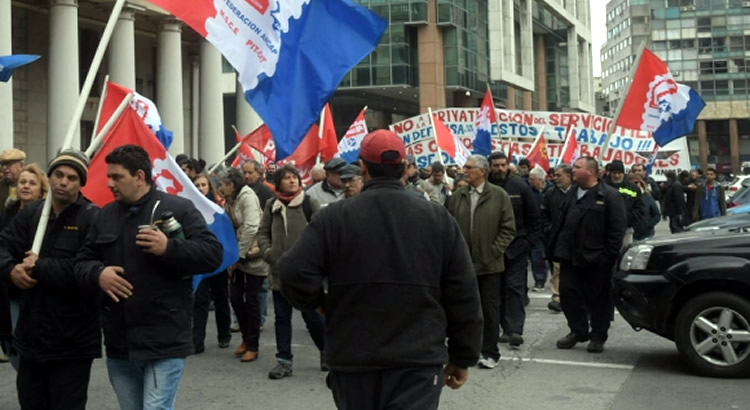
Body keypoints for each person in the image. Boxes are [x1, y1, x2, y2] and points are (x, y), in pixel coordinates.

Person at [278, 130, 482, 409]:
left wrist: (322, 304)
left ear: (362, 167)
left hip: (354, 358)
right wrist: (463, 357)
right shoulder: (437, 218)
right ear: (403, 165)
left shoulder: (334, 217)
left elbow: (292, 271)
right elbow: (464, 294)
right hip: (417, 359)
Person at [74, 145, 222, 410]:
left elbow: (213, 254)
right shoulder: (104, 215)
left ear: (139, 176)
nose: (109, 183)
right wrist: (98, 274)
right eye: (109, 177)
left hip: (164, 337)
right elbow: (82, 262)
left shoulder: (179, 208)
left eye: (117, 177)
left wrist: (170, 247)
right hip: (120, 340)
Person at [0, 149, 99, 409]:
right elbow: (3, 247)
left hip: (72, 342)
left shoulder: (91, 217)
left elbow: (87, 268)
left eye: (71, 177)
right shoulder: (31, 214)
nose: (63, 182)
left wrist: (41, 266)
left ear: (81, 183)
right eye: (58, 174)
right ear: (51, 177)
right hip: (31, 337)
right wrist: (11, 269)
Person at [548, 157, 627, 353]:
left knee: (599, 300)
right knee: (567, 294)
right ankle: (578, 330)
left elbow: (617, 230)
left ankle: (598, 336)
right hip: (570, 256)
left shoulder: (609, 196)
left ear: (591, 172)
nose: (573, 170)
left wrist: (607, 258)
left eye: (577, 167)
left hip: (596, 258)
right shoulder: (572, 192)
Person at [446, 155, 515, 370]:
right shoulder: (457, 196)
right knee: (462, 310)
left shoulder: (499, 196)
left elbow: (508, 228)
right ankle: (465, 351)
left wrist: (493, 251)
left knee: (489, 310)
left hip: (489, 266)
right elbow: (448, 227)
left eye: (469, 168)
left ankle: (490, 351)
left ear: (482, 172)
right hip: (462, 265)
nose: (464, 170)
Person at [257, 165, 326, 380]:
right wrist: (269, 253)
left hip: (305, 274)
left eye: (294, 177)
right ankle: (284, 361)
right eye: (286, 178)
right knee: (282, 318)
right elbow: (262, 233)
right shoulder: (271, 205)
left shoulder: (308, 203)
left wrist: (312, 260)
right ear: (278, 183)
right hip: (279, 273)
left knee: (312, 317)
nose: (292, 181)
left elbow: (321, 232)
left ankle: (327, 351)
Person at [487, 151, 542, 347]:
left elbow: (534, 220)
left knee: (515, 288)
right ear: (490, 166)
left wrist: (527, 244)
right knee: (496, 290)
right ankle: (503, 327)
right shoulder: (485, 187)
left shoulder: (520, 186)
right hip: (491, 249)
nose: (500, 169)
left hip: (516, 248)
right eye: (496, 165)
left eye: (503, 165)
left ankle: (515, 329)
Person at [0, 164, 49, 363]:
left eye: (32, 183)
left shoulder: (47, 214)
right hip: (10, 287)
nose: (26, 186)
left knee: (32, 343)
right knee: (14, 344)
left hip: (37, 287)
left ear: (41, 189)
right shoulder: (8, 211)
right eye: (22, 182)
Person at [216, 168, 266, 363]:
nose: (219, 188)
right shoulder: (230, 200)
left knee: (252, 301)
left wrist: (239, 254)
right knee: (235, 297)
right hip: (240, 257)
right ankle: (246, 338)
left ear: (232, 185)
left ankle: (253, 345)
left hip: (254, 256)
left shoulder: (247, 197)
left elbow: (252, 227)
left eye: (222, 184)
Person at [191, 173, 232, 354]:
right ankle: (197, 341)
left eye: (203, 185)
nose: (200, 188)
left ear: (209, 187)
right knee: (199, 300)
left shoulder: (218, 208)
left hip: (217, 260)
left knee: (221, 297)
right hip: (198, 260)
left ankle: (224, 334)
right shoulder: (189, 208)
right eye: (197, 185)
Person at [541, 164, 573, 313]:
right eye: (554, 175)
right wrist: (549, 229)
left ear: (568, 176)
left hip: (575, 238)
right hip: (556, 237)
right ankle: (557, 297)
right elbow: (544, 214)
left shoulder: (577, 192)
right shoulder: (550, 194)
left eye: (559, 175)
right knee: (557, 268)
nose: (555, 178)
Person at [605, 160, 644, 246]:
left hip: (626, 230)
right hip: (605, 230)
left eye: (619, 173)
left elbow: (640, 208)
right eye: (614, 173)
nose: (616, 176)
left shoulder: (633, 188)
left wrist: (626, 220)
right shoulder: (602, 187)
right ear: (610, 173)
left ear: (623, 173)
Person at [527, 166, 549, 291]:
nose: (530, 182)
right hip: (536, 229)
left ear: (540, 179)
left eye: (532, 179)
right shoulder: (529, 192)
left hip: (549, 229)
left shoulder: (551, 190)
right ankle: (539, 280)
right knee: (537, 256)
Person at [630, 174, 661, 241]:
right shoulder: (625, 197)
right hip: (631, 234)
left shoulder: (647, 197)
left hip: (647, 234)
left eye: (636, 182)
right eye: (631, 183)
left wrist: (648, 225)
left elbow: (657, 215)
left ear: (641, 183)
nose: (634, 185)